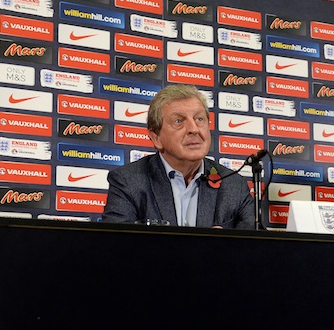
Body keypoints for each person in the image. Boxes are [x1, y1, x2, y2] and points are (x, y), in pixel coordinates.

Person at [101, 84, 255, 228]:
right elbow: (116, 248)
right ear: (156, 137)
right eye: (179, 121)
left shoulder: (234, 185)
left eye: (199, 119)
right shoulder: (128, 182)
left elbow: (254, 250)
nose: (193, 129)